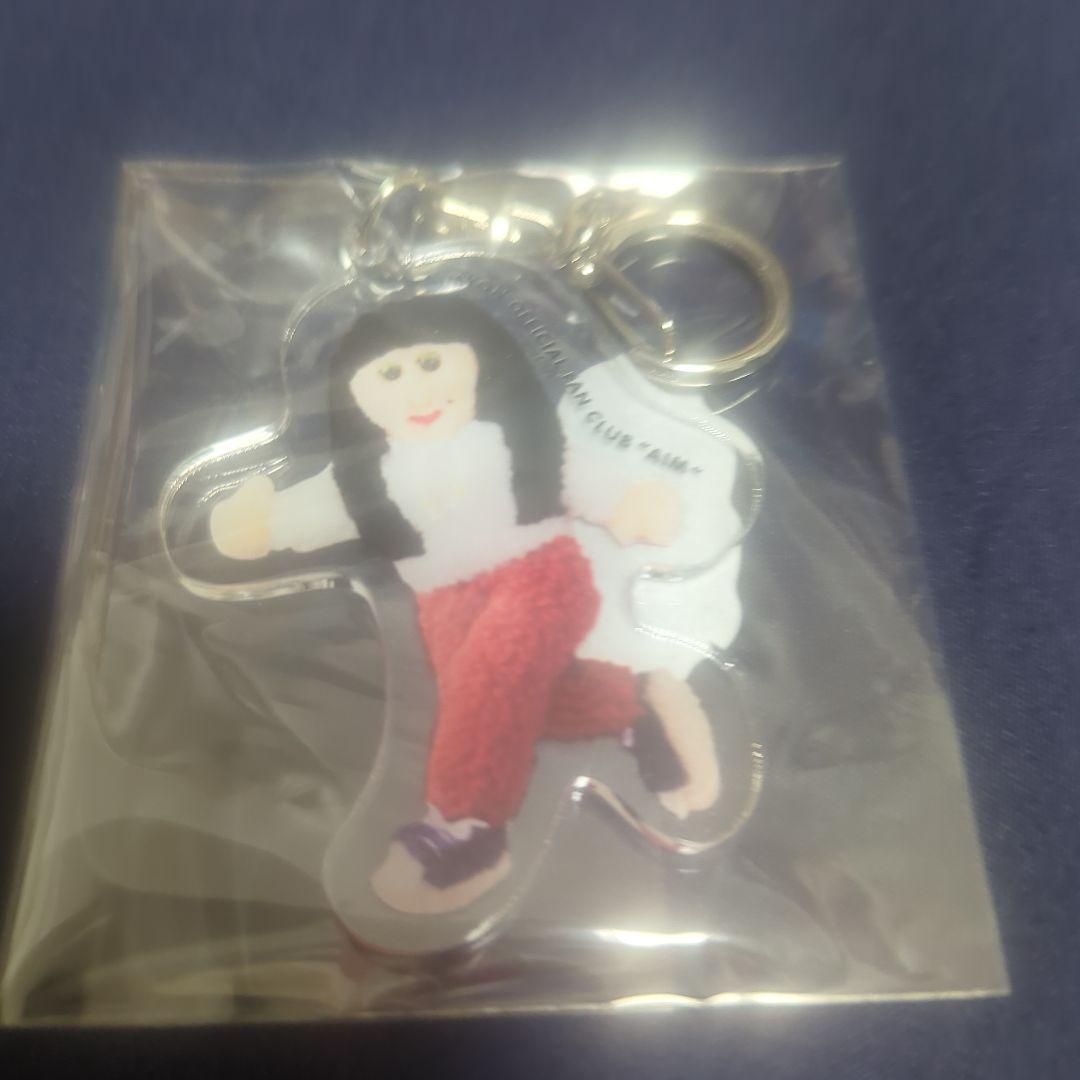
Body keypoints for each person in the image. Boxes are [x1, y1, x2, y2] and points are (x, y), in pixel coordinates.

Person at [210, 294, 724, 914]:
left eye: (431, 364)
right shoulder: (368, 477)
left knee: (487, 687)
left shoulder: (509, 440)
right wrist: (261, 523)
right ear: (357, 394)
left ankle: (465, 829)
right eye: (391, 374)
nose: (416, 390)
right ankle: (637, 702)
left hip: (539, 576)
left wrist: (628, 503)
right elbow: (313, 510)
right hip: (443, 605)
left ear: (479, 360)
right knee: (519, 706)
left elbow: (576, 473)